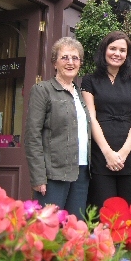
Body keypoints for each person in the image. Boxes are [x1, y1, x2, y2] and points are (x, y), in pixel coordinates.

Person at [25, 37, 91, 220]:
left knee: (73, 230)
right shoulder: (43, 90)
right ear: (54, 62)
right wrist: (38, 177)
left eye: (75, 58)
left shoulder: (80, 94)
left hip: (81, 172)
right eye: (65, 58)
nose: (70, 62)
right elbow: (32, 135)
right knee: (47, 228)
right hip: (53, 174)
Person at [81, 31, 131, 211]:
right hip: (101, 157)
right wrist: (108, 153)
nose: (117, 53)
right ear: (104, 50)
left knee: (130, 213)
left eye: (122, 50)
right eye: (113, 48)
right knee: (105, 213)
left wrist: (123, 153)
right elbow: (91, 117)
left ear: (127, 55)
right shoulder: (90, 80)